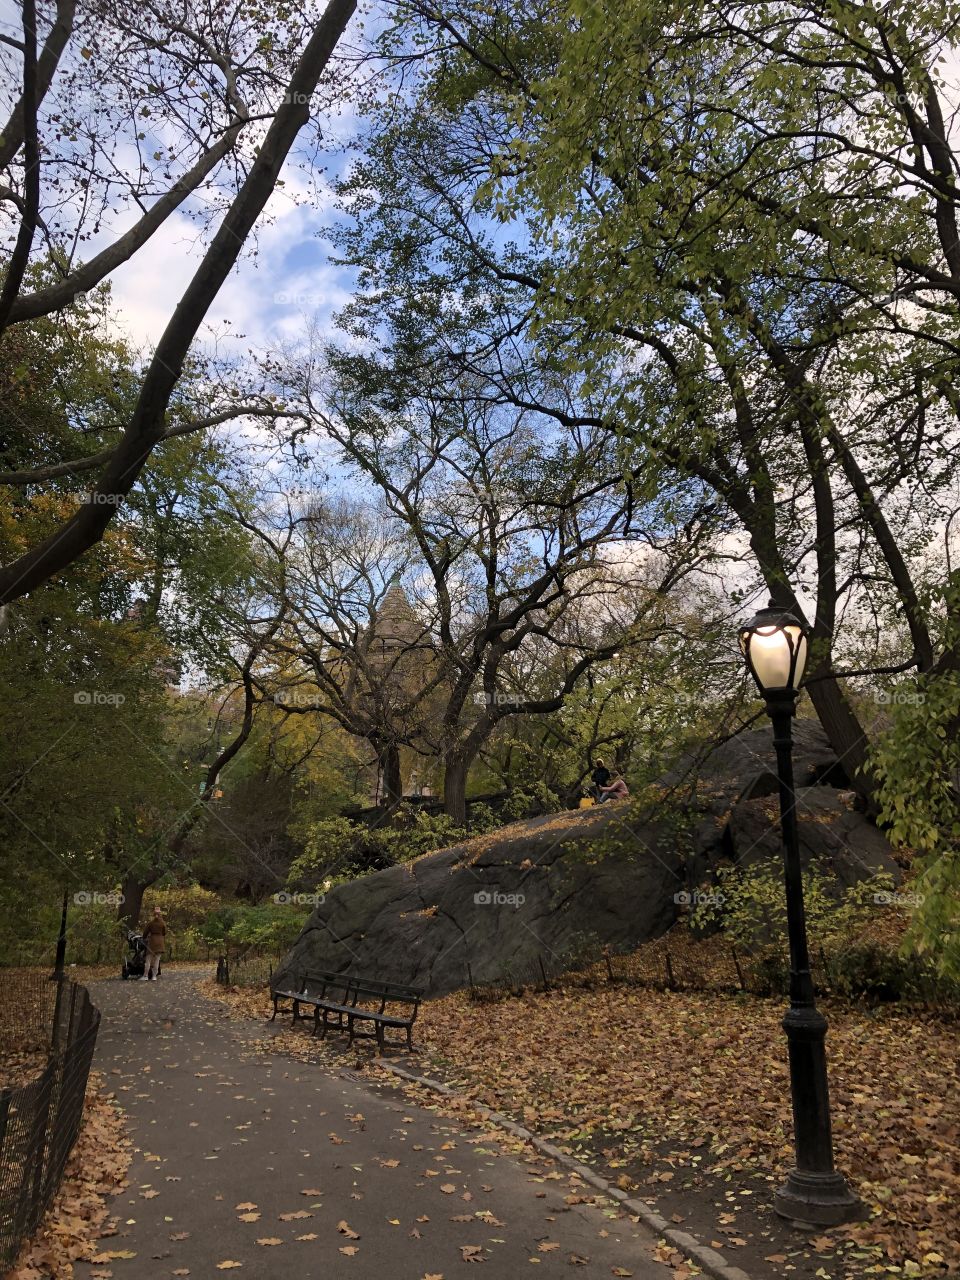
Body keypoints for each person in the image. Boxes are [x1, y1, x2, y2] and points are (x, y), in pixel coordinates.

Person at [141, 907, 166, 980]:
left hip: (152, 942)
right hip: (160, 942)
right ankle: (154, 976)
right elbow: (164, 933)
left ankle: (145, 976)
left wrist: (144, 938)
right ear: (160, 914)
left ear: (153, 914)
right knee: (157, 960)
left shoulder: (151, 923)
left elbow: (145, 933)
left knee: (148, 959)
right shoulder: (163, 923)